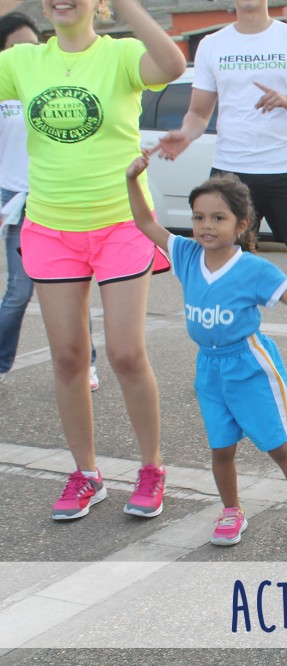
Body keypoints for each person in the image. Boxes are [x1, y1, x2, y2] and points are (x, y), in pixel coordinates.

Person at [0, 0, 185, 520]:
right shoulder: (21, 62)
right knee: (67, 358)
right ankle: (86, 474)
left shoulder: (121, 54)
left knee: (126, 353)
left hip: (121, 221)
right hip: (51, 227)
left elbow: (171, 65)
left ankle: (151, 466)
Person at [126, 153, 287, 554]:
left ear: (242, 224)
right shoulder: (187, 255)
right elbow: (144, 223)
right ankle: (231, 510)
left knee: (278, 447)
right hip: (209, 370)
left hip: (249, 366)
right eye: (198, 217)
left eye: (218, 218)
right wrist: (134, 180)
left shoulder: (253, 270)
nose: (206, 226)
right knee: (221, 449)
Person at [156, 0, 287, 386]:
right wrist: (185, 135)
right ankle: (225, 353)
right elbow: (198, 113)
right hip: (231, 170)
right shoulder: (211, 44)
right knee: (224, 264)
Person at [0, 13, 103, 391]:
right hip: (14, 199)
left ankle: (87, 361)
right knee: (18, 291)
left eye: (33, 43)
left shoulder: (53, 79)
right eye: (16, 45)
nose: (26, 51)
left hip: (58, 192)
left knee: (75, 286)